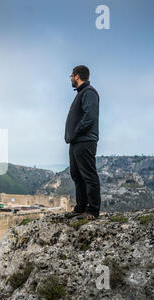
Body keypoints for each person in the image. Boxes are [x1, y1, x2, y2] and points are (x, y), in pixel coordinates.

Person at [64, 65, 101, 220]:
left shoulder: (89, 92)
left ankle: (92, 210)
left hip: (85, 141)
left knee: (88, 175)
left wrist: (75, 132)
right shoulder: (81, 93)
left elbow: (89, 116)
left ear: (77, 76)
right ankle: (80, 208)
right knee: (76, 175)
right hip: (76, 142)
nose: (71, 78)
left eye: (71, 75)